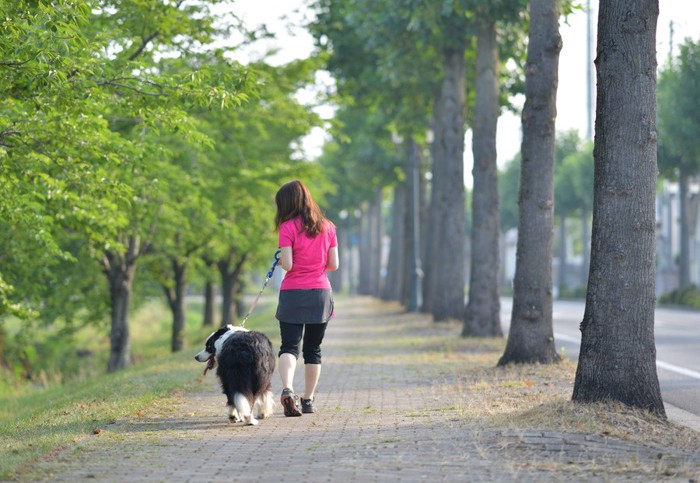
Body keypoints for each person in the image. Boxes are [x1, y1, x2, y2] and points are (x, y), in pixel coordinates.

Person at [274, 180, 339, 417]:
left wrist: (281, 259)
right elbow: (334, 264)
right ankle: (308, 400)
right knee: (313, 350)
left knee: (289, 347)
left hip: (293, 293)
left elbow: (288, 265)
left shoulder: (287, 227)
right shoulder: (328, 227)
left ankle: (287, 389)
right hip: (320, 293)